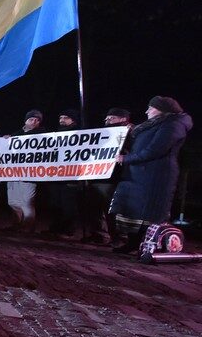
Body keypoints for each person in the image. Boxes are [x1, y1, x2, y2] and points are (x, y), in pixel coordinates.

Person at [110, 97, 193, 253]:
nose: (147, 111)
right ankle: (132, 242)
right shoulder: (153, 124)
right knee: (133, 209)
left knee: (147, 211)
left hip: (155, 175)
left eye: (151, 108)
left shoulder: (173, 125)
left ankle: (147, 244)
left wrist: (126, 159)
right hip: (138, 173)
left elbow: (155, 150)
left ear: (162, 110)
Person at [86, 108, 133, 245]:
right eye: (106, 118)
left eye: (111, 118)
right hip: (97, 175)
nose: (107, 120)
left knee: (111, 209)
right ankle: (100, 235)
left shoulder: (131, 133)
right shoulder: (102, 133)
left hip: (115, 177)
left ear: (123, 119)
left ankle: (118, 238)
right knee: (95, 208)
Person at [47, 109, 84, 239]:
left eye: (66, 118)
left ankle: (68, 230)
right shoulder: (56, 133)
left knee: (69, 205)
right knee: (55, 204)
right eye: (61, 117)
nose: (62, 120)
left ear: (73, 120)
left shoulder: (79, 133)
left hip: (71, 176)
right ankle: (56, 228)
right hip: (56, 176)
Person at [5, 110, 43, 231]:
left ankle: (27, 227)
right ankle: (16, 224)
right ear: (25, 120)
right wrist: (5, 141)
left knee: (27, 201)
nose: (34, 122)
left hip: (30, 173)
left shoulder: (42, 135)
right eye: (32, 119)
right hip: (13, 173)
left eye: (37, 120)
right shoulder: (16, 134)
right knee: (13, 201)